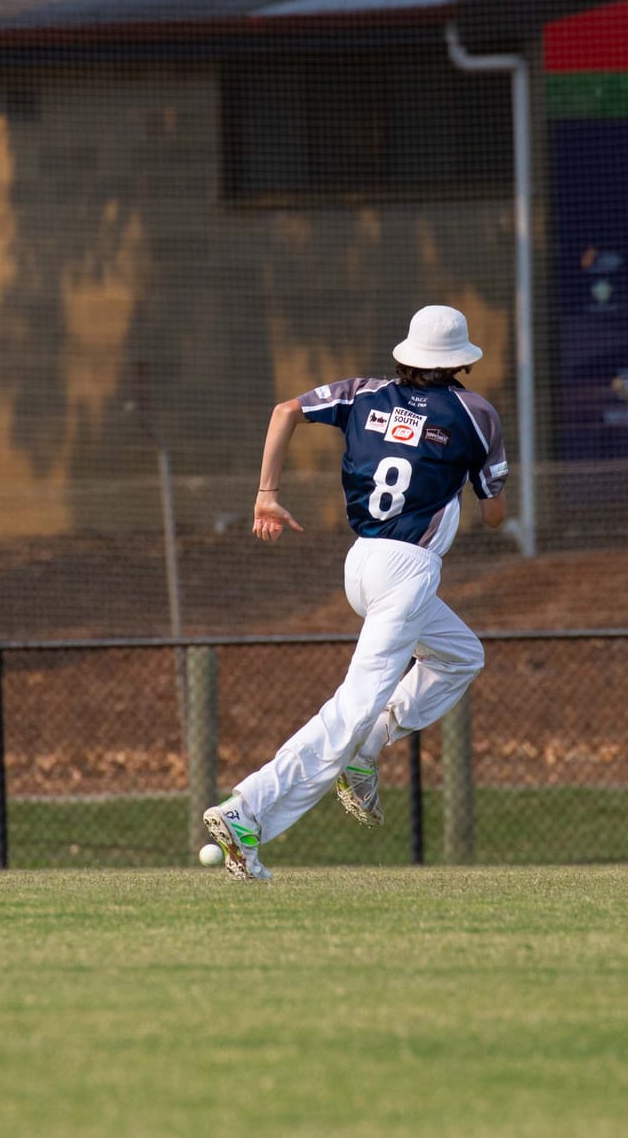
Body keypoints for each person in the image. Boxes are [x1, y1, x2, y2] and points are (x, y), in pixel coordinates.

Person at [204, 305, 511, 880]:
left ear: (408, 355)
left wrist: (266, 493)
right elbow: (495, 517)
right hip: (409, 568)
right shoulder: (476, 413)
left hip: (361, 563)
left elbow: (285, 410)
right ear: (460, 363)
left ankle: (367, 749)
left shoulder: (363, 392)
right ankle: (247, 810)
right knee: (351, 707)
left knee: (462, 656)